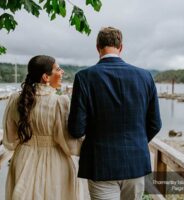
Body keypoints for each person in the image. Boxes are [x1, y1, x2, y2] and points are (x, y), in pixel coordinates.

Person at [68, 27, 162, 200]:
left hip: (100, 163)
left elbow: (76, 129)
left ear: (97, 47)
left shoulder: (84, 77)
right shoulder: (145, 76)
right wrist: (137, 141)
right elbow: (155, 123)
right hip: (136, 160)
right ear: (121, 47)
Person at [3, 55, 83, 200]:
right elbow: (69, 143)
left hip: (23, 158)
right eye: (58, 69)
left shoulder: (15, 100)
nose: (62, 72)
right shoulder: (60, 102)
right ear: (46, 77)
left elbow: (10, 139)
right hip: (55, 161)